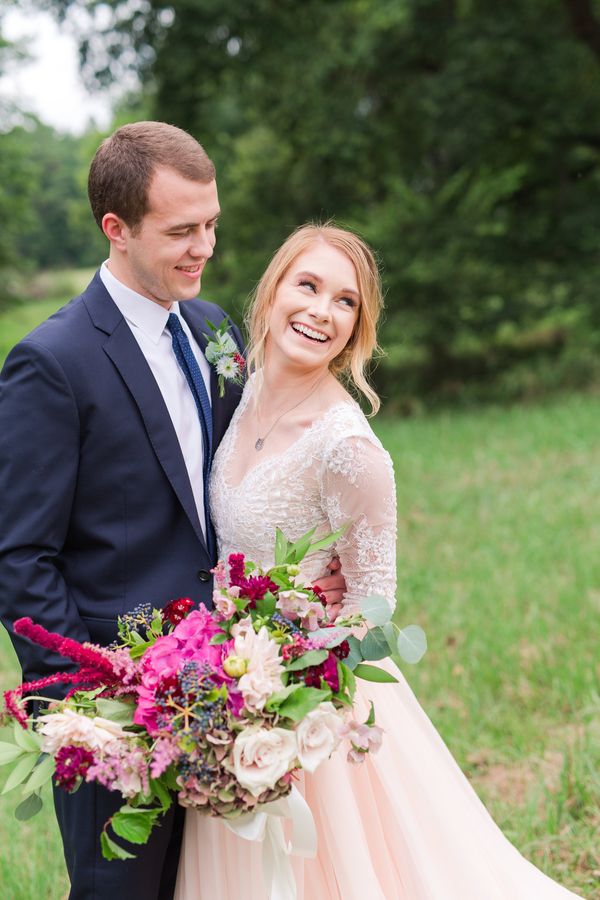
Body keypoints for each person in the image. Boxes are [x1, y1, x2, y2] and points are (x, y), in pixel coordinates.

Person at [174, 223, 581, 899]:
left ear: (358, 326)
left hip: (309, 707)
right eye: (307, 285)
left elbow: (374, 609)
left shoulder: (347, 447)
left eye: (345, 302)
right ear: (273, 290)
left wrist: (288, 686)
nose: (321, 311)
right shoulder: (234, 389)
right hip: (226, 686)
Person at [0, 122, 345, 900]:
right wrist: (89, 702)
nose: (206, 246)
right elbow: (20, 556)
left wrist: (310, 580)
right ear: (115, 230)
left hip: (229, 698)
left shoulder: (214, 328)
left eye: (212, 224)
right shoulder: (51, 364)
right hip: (121, 712)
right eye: (182, 231)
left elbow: (248, 473)